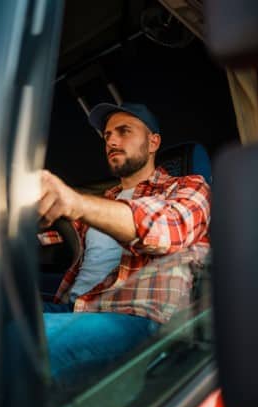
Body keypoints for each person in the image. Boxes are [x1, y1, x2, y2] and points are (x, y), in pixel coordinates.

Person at [38, 102, 211, 387]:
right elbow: (54, 239)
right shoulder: (103, 201)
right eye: (107, 136)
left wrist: (75, 202)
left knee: (15, 343)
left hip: (134, 319)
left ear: (153, 141)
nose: (112, 141)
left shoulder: (188, 187)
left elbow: (168, 230)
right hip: (75, 308)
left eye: (124, 131)